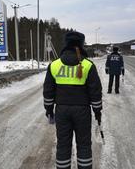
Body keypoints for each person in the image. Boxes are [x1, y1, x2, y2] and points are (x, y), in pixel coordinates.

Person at [43, 31, 102, 169]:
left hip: (62, 111)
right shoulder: (88, 65)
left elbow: (48, 91)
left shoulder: (54, 65)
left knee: (63, 144)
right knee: (84, 145)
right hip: (82, 111)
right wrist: (97, 111)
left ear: (66, 44)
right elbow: (95, 92)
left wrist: (49, 109)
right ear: (81, 45)